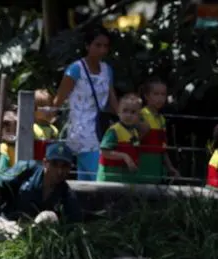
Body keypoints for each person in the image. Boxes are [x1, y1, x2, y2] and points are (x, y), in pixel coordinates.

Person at [53, 27, 119, 181]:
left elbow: (112, 99)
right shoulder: (75, 69)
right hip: (80, 131)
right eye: (97, 45)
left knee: (87, 177)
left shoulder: (107, 70)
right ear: (87, 46)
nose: (102, 49)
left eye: (105, 46)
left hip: (99, 129)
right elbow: (59, 100)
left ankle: (85, 205)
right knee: (97, 176)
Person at [0, 142, 80, 238]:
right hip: (8, 223)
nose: (59, 171)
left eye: (64, 166)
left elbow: (74, 223)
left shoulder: (66, 195)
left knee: (48, 216)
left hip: (35, 237)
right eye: (54, 164)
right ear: (45, 163)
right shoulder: (27, 169)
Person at [138, 77, 179, 184]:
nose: (160, 98)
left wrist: (170, 167)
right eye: (156, 94)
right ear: (146, 96)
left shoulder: (161, 119)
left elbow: (163, 148)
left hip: (156, 167)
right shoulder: (140, 115)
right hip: (141, 165)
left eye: (163, 94)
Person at [97, 93, 141, 184]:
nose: (128, 115)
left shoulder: (135, 132)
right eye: (125, 111)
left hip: (125, 179)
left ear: (139, 115)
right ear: (118, 112)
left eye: (133, 112)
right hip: (109, 178)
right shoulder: (114, 131)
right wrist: (125, 156)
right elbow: (105, 152)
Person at [33, 89, 59, 161]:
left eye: (49, 107)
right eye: (43, 107)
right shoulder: (31, 128)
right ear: (33, 109)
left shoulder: (54, 130)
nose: (48, 110)